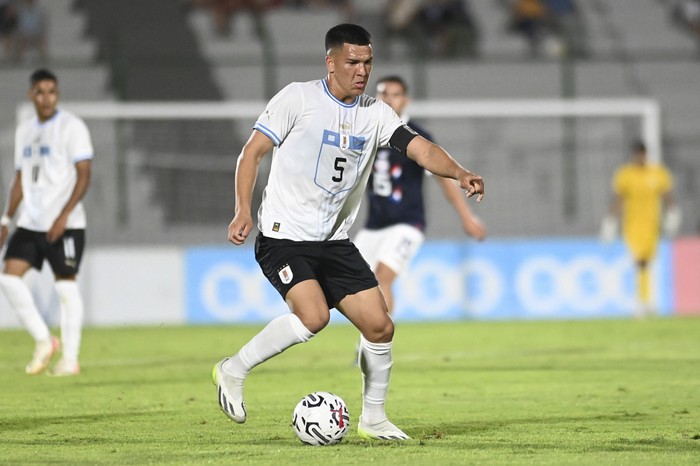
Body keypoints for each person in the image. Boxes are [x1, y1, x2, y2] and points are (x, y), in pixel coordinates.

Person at [213, 23, 484, 441]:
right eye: (353, 62)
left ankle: (373, 418)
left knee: (380, 327)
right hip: (284, 236)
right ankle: (233, 369)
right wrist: (241, 209)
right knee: (314, 317)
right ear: (331, 61)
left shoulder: (375, 113)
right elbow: (252, 153)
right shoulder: (297, 99)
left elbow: (421, 149)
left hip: (334, 242)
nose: (362, 71)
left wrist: (460, 171)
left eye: (368, 62)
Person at [354, 75, 485, 317]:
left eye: (395, 94)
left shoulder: (416, 137)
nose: (388, 99)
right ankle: (368, 344)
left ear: (405, 100)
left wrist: (467, 217)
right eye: (383, 93)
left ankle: (376, 349)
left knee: (383, 278)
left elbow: (443, 180)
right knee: (356, 286)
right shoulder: (365, 132)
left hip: (407, 222)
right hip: (373, 225)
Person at [0, 69, 93, 376]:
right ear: (31, 95)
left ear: (58, 94)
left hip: (66, 223)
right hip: (31, 221)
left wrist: (64, 215)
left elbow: (84, 174)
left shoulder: (72, 127)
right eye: (40, 91)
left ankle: (70, 358)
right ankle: (43, 340)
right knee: (8, 278)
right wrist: (5, 218)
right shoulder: (24, 130)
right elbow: (20, 179)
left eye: (52, 91)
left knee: (65, 287)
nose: (47, 97)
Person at [600, 140, 680, 318]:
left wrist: (673, 213)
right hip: (633, 225)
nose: (640, 157)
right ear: (634, 155)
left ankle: (646, 300)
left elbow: (667, 195)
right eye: (637, 154)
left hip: (653, 225)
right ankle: (643, 301)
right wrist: (611, 221)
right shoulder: (625, 175)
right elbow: (618, 198)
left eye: (642, 154)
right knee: (640, 262)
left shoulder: (658, 173)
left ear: (646, 154)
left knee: (647, 263)